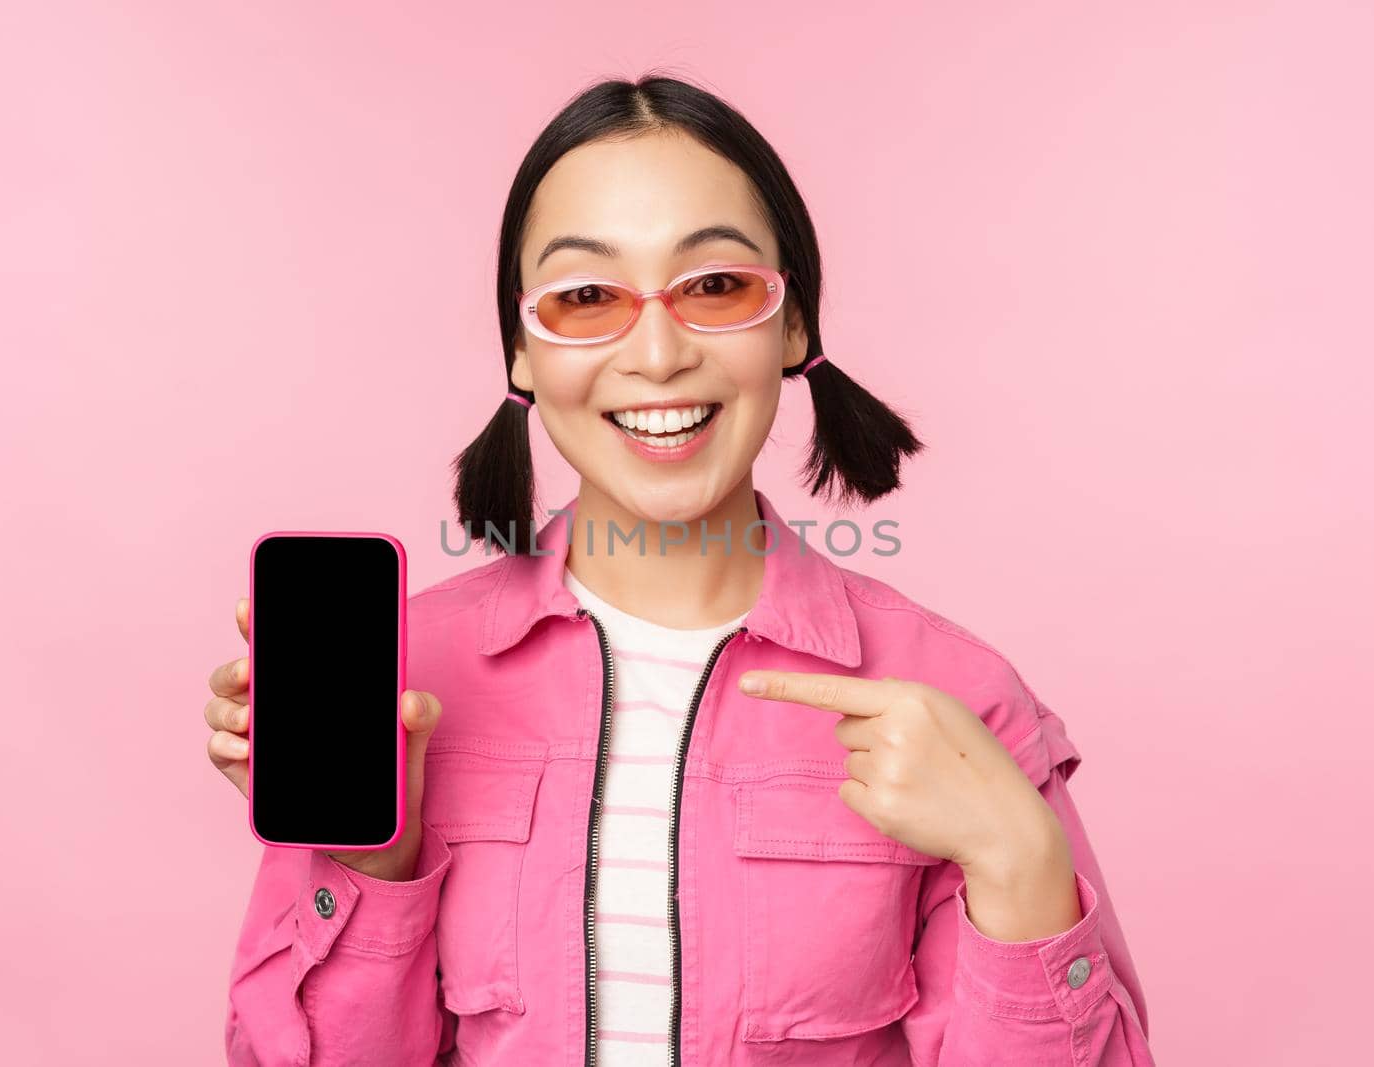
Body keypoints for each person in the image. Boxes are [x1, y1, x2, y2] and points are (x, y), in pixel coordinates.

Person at [206, 73, 1156, 1066]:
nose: (656, 354)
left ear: (792, 325)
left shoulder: (956, 699)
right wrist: (369, 861)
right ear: (522, 350)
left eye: (715, 286)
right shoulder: (400, 685)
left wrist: (1021, 866)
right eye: (584, 297)